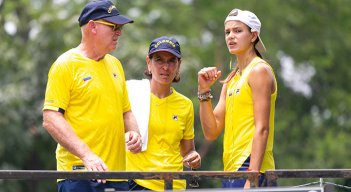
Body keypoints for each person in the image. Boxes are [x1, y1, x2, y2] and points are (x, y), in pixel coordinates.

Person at [42, 0, 142, 191]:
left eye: (120, 27)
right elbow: (51, 118)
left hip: (118, 175)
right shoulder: (66, 64)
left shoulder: (115, 65)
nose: (119, 32)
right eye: (114, 26)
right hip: (79, 174)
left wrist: (134, 134)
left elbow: (126, 112)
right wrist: (87, 156)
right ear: (92, 26)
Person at [197, 8, 277, 189]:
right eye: (227, 32)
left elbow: (262, 128)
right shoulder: (231, 79)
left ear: (253, 35)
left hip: (252, 169)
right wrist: (203, 91)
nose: (230, 36)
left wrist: (252, 177)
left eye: (238, 31)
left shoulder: (259, 70)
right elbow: (211, 131)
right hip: (231, 169)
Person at [126, 36, 201, 191]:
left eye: (171, 61)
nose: (165, 67)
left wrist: (194, 158)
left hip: (175, 185)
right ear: (149, 62)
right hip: (139, 183)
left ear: (179, 64)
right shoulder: (132, 93)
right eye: (159, 60)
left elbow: (188, 151)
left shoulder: (185, 104)